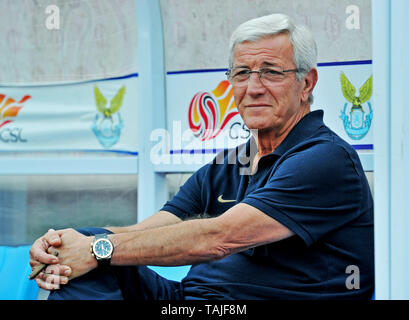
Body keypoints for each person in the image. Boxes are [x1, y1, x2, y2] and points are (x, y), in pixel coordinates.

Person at [29, 13, 374, 300]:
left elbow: (219, 238)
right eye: (241, 73)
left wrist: (96, 250)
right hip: (189, 301)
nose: (253, 88)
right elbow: (147, 231)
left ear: (307, 83)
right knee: (87, 240)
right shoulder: (230, 163)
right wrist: (64, 244)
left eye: (271, 71)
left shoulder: (326, 159)